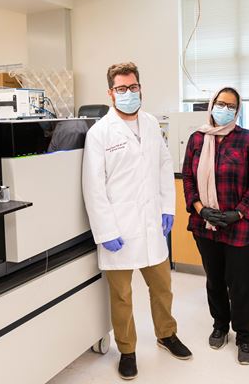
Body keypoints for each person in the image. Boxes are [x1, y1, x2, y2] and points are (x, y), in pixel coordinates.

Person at [82, 62, 192, 380]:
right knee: (122, 296)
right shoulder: (100, 133)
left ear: (140, 87)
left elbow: (162, 164)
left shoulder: (150, 123)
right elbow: (93, 186)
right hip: (118, 228)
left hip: (152, 225)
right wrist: (105, 230)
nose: (128, 93)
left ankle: (166, 334)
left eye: (133, 87)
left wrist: (168, 207)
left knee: (162, 287)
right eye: (121, 89)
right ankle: (127, 351)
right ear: (110, 93)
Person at [182, 86, 249, 364]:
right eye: (220, 103)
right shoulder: (197, 139)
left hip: (238, 225)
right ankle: (220, 325)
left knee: (239, 284)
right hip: (204, 224)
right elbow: (188, 179)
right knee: (214, 279)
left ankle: (244, 336)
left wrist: (237, 214)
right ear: (211, 104)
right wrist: (200, 208)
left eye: (231, 106)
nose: (225, 109)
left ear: (237, 110)